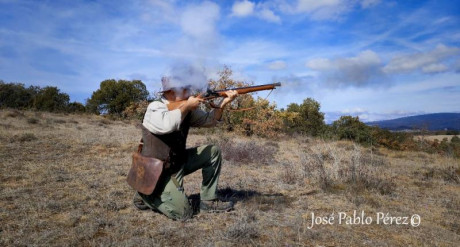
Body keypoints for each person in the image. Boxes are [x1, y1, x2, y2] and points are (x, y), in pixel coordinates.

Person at [133, 77, 238, 220]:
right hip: (157, 171)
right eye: (185, 88)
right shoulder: (155, 108)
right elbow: (167, 125)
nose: (190, 91)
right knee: (184, 214)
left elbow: (209, 120)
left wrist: (223, 103)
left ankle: (208, 201)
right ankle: (146, 196)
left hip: (177, 163)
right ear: (171, 91)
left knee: (213, 152)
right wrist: (187, 106)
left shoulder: (186, 107)